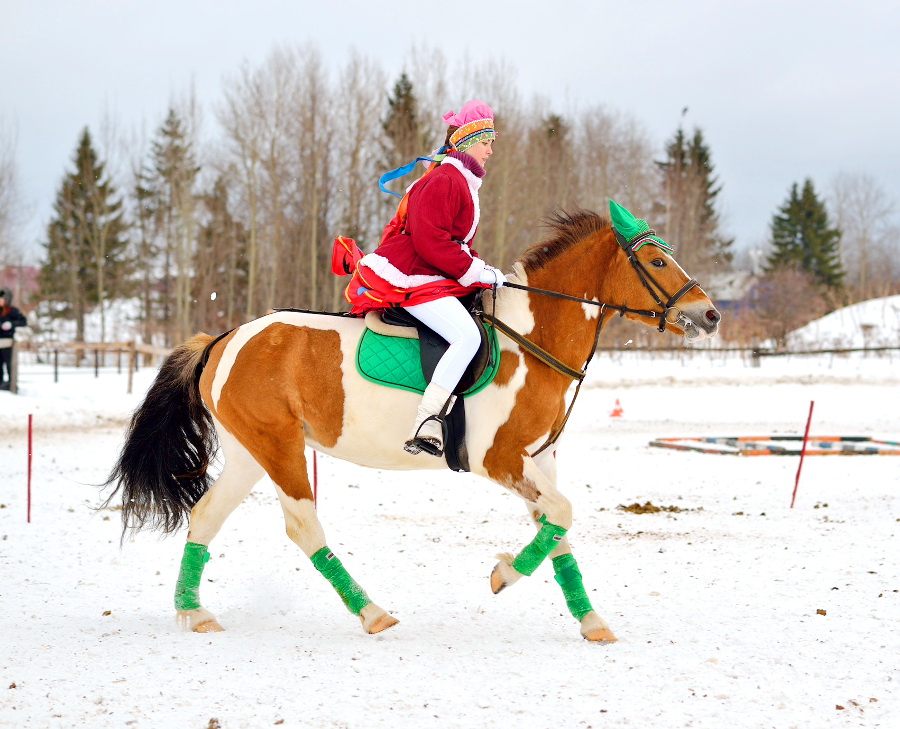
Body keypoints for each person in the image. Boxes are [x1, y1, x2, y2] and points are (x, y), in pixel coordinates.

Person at [354, 100, 507, 457]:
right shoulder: (444, 179)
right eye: (487, 141)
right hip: (417, 272)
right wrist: (475, 271)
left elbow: (455, 243)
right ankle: (428, 421)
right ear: (469, 141)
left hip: (433, 271)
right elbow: (431, 241)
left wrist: (481, 268)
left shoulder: (458, 180)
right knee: (467, 336)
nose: (490, 150)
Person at [0, 287, 27, 391]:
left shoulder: (12, 311)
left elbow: (23, 322)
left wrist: (12, 324)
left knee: (10, 364)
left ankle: (12, 383)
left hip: (8, 343)